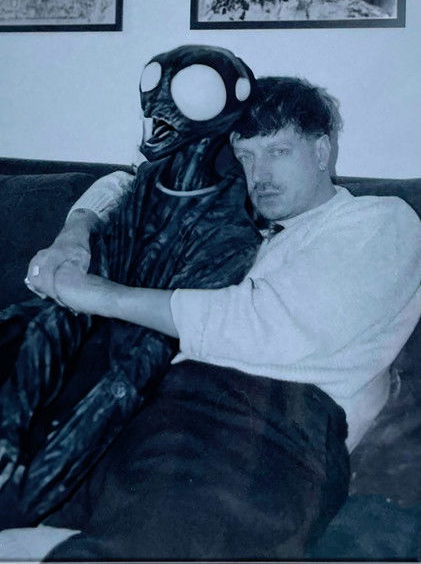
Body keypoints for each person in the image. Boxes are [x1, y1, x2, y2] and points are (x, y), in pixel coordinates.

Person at [6, 76, 421, 561]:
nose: (259, 173)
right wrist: (74, 234)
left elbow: (263, 325)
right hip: (146, 399)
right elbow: (126, 182)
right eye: (245, 155)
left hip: (265, 421)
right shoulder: (238, 219)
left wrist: (101, 295)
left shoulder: (379, 221)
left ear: (322, 150)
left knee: (156, 550)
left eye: (278, 152)